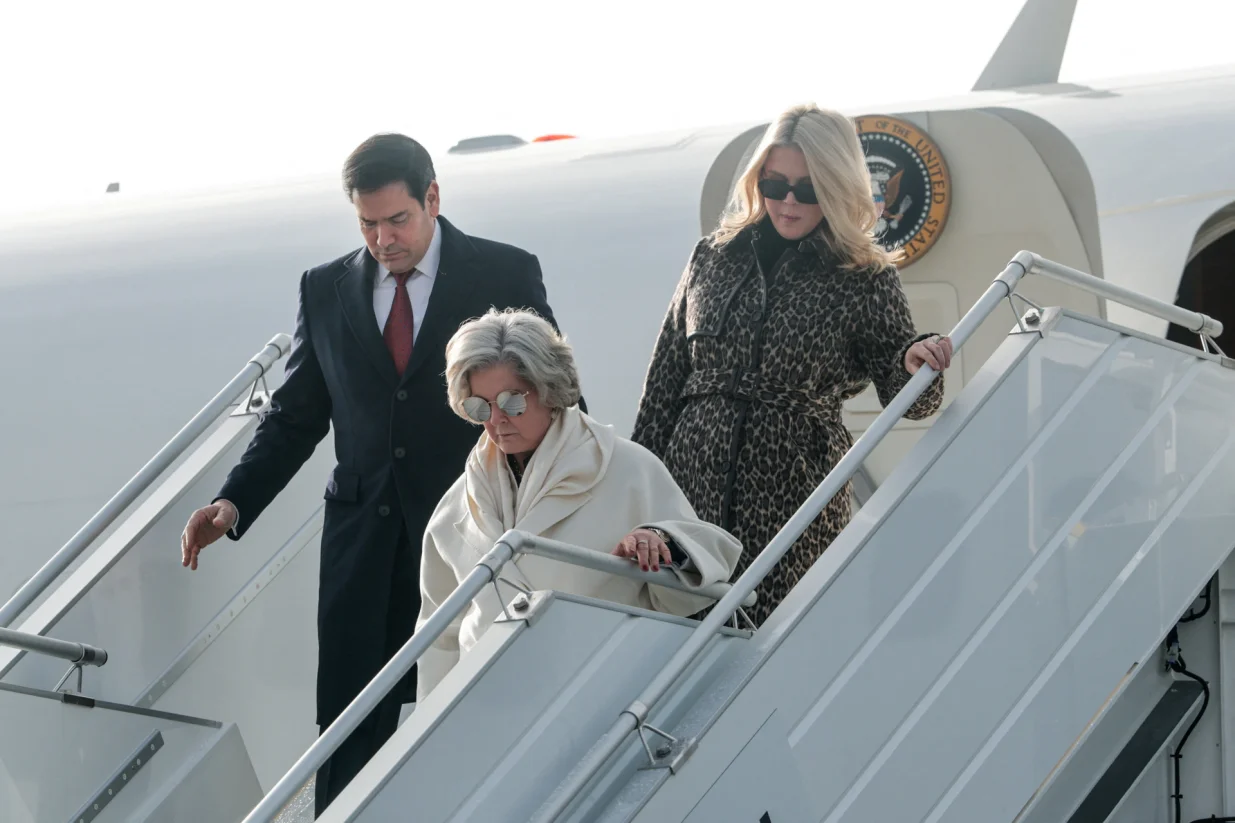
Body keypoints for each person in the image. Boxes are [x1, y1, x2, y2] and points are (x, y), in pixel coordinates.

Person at [178, 133, 575, 816]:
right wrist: (232, 501)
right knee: (348, 729)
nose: (382, 239)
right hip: (362, 550)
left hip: (470, 537)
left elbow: (557, 400)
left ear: (433, 198)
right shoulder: (324, 288)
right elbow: (295, 415)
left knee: (472, 713)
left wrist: (577, 503)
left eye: (397, 220)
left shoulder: (503, 272)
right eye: (367, 223)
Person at [630, 103, 954, 627]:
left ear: (836, 185)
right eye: (775, 183)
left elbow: (907, 388)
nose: (787, 200)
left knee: (774, 638)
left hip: (796, 492)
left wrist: (916, 361)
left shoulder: (863, 277)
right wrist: (635, 489)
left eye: (807, 189)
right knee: (675, 629)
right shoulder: (712, 256)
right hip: (689, 484)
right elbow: (664, 382)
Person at [415, 309, 741, 700]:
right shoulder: (456, 505)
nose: (497, 419)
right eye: (480, 408)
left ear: (549, 389)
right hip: (486, 703)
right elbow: (439, 635)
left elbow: (704, 563)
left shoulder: (627, 467)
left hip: (598, 695)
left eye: (512, 402)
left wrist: (660, 540)